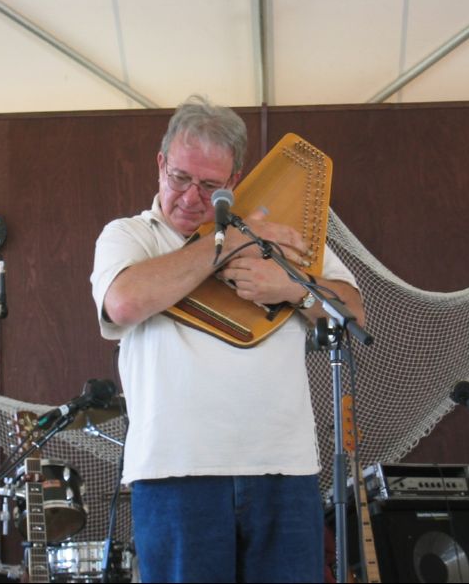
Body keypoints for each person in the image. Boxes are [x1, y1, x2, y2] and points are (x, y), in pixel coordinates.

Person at [90, 95, 365, 583]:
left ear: (234, 181)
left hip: (284, 467)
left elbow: (353, 311)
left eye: (210, 185)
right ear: (160, 164)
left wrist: (288, 289)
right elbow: (124, 301)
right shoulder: (130, 236)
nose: (191, 196)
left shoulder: (279, 235)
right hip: (175, 473)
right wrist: (229, 241)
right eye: (180, 177)